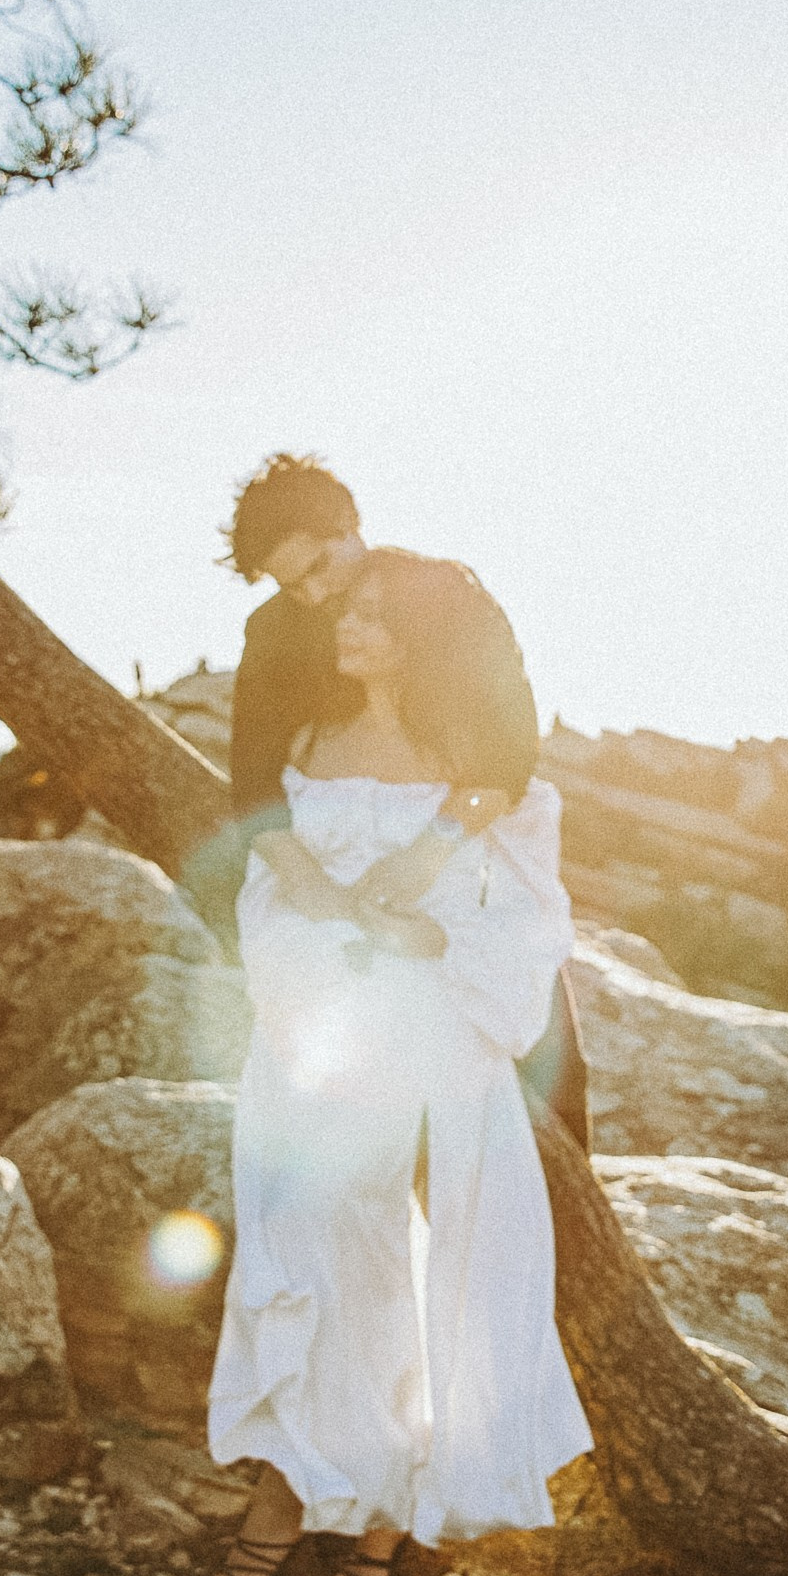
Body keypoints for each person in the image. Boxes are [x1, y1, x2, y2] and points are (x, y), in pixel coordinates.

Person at [202, 549, 594, 1576]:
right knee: (310, 1253)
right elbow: (264, 891)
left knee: (425, 1268)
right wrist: (317, 948)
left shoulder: (469, 764)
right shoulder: (305, 738)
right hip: (317, 1036)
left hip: (430, 1038)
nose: (348, 627)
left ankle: (382, 1523)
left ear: (420, 639)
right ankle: (291, 1495)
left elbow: (520, 906)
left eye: (376, 617)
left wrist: (426, 935)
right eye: (350, 612)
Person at [192, 453, 590, 1150]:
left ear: (350, 526)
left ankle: (565, 1219)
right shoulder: (274, 630)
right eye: (292, 584)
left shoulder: (446, 593)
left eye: (318, 566)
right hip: (328, 865)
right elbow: (252, 778)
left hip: (456, 852)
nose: (313, 595)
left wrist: (429, 852)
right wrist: (310, 886)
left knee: (539, 1047)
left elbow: (511, 752)